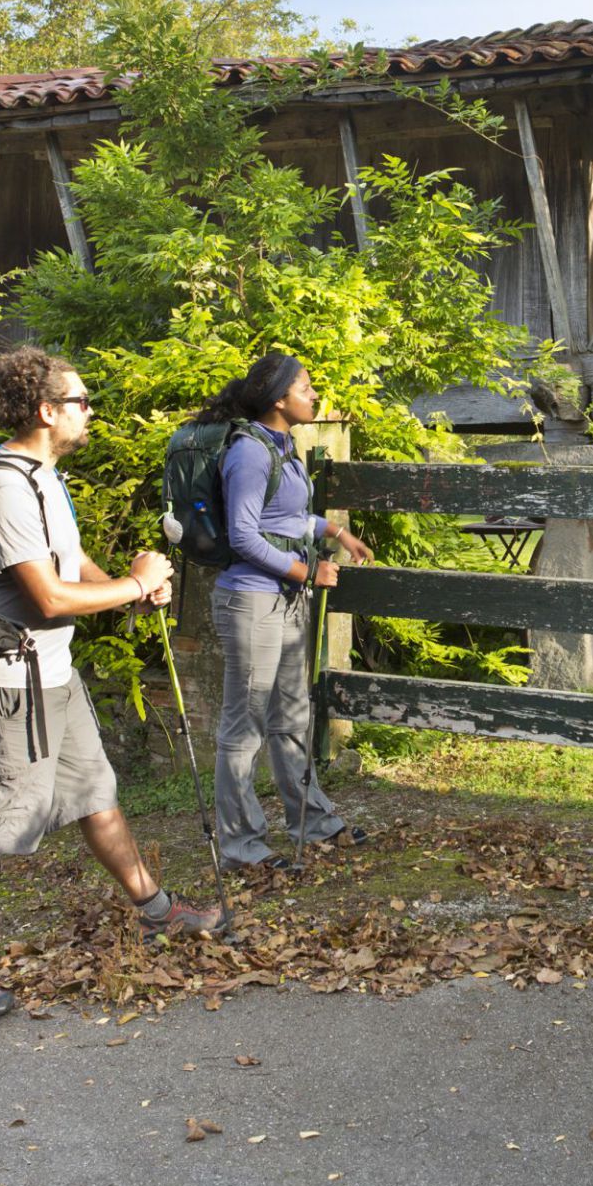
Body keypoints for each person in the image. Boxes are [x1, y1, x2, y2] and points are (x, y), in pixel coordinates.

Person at [0, 346, 225, 1023]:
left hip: (51, 671)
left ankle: (156, 912)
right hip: (8, 682)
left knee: (94, 794)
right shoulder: (5, 486)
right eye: (82, 401)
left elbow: (72, 565)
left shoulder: (44, 477)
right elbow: (47, 597)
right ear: (46, 410)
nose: (91, 413)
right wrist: (137, 584)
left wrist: (123, 590)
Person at [204, 353, 373, 872]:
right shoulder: (250, 453)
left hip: (282, 598)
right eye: (305, 387)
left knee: (291, 714)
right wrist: (307, 573)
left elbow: (290, 514)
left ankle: (313, 821)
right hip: (252, 598)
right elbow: (243, 535)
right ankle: (241, 847)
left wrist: (335, 532)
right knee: (245, 725)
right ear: (279, 399)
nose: (314, 395)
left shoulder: (282, 446)